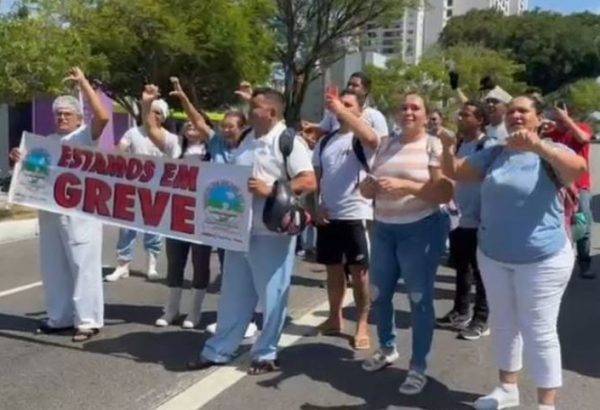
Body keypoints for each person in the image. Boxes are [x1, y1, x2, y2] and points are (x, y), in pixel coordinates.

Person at [439, 96, 586, 410]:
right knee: (505, 324)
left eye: (524, 110)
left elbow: (578, 169)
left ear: (536, 118)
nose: (516, 115)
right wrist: (448, 144)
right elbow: (457, 172)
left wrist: (539, 146)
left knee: (539, 330)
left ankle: (546, 404)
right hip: (494, 256)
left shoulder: (553, 152)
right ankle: (507, 388)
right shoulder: (494, 153)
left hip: (543, 259)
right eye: (512, 111)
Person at [187, 88, 316, 374]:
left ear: (271, 112)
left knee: (271, 296)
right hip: (238, 231)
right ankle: (218, 350)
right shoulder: (246, 138)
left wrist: (271, 190)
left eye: (255, 106)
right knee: (233, 295)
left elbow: (308, 181)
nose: (249, 110)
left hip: (271, 233)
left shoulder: (288, 141)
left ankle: (265, 353)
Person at [359, 92, 453, 395]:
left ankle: (418, 367)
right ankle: (387, 348)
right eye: (404, 107)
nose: (409, 112)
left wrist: (406, 186)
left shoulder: (433, 145)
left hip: (421, 230)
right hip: (385, 229)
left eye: (416, 108)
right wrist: (369, 186)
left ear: (426, 115)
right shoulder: (386, 144)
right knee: (379, 293)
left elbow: (443, 195)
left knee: (419, 299)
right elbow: (365, 190)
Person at [9, 67, 109, 342]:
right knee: (54, 267)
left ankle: (88, 321)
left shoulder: (84, 138)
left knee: (82, 265)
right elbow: (32, 175)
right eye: (59, 114)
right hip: (51, 213)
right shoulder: (46, 143)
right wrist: (18, 158)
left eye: (68, 114)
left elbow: (103, 117)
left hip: (81, 214)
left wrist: (84, 83)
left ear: (78, 118)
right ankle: (60, 317)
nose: (62, 117)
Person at [312, 88, 381, 350]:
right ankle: (334, 318)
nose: (341, 108)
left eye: (349, 105)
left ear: (360, 111)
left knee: (359, 273)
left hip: (356, 215)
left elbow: (373, 139)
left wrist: (340, 109)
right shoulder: (325, 142)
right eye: (340, 104)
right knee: (333, 271)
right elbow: (316, 179)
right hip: (330, 216)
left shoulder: (362, 139)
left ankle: (362, 324)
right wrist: (316, 208)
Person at [105, 91, 181, 282]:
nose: (154, 116)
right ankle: (123, 265)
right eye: (151, 111)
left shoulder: (170, 139)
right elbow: (119, 152)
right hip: (131, 188)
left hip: (156, 191)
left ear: (163, 117)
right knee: (126, 227)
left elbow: (177, 163)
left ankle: (151, 266)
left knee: (154, 228)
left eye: (158, 113)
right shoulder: (132, 133)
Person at [436, 101, 491, 340]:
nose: (460, 118)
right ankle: (460, 311)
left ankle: (481, 319)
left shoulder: (486, 145)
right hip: (460, 216)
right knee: (462, 268)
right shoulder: (459, 143)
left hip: (481, 219)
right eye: (461, 114)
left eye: (466, 115)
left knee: (481, 273)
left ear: (480, 120)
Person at [544, 102, 594, 279]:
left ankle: (584, 263)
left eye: (560, 112)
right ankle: (558, 263)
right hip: (557, 188)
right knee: (557, 225)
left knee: (581, 225)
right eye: (554, 113)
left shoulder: (580, 127)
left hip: (580, 188)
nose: (556, 116)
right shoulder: (551, 132)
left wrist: (565, 119)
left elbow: (583, 138)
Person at [302, 72, 389, 141]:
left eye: (355, 85)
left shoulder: (375, 116)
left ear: (365, 90)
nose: (350, 88)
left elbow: (383, 144)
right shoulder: (334, 112)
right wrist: (311, 127)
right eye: (349, 84)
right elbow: (323, 128)